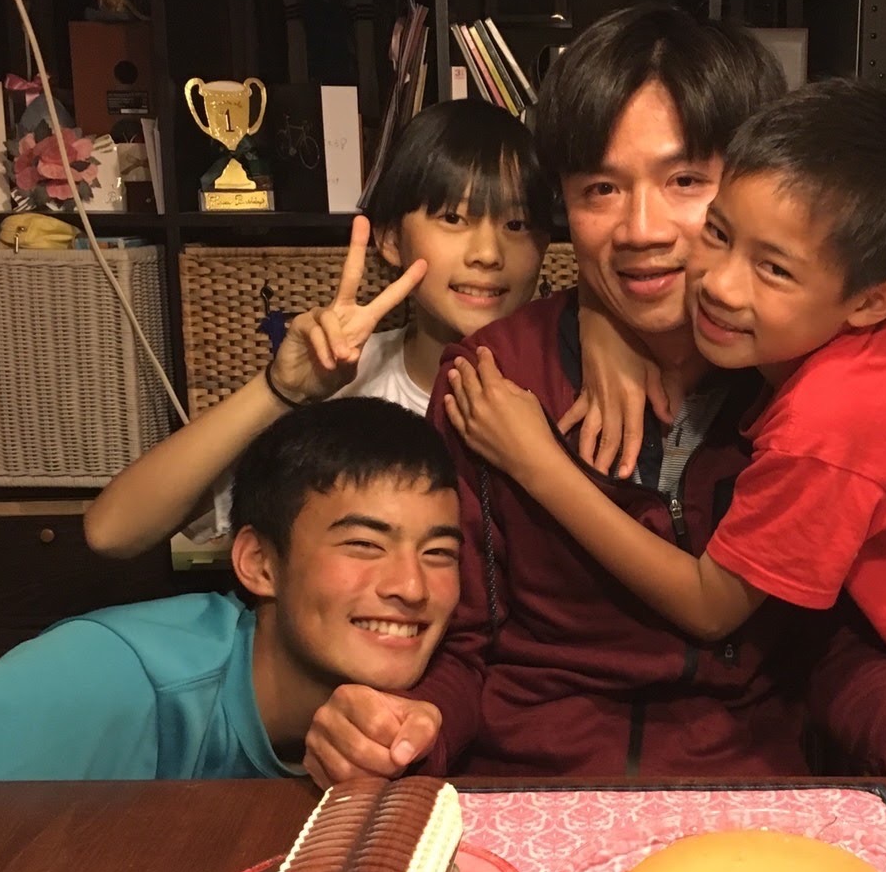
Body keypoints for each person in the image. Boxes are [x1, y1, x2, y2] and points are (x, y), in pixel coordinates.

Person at [302, 5, 886, 807]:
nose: (642, 231)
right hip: (538, 788)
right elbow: (464, 640)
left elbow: (828, 645)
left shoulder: (815, 389)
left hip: (754, 794)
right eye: (601, 189)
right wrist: (410, 724)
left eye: (686, 181)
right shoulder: (495, 380)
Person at [445, 78, 886, 800]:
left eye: (773, 269)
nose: (720, 285)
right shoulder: (856, 343)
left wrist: (541, 465)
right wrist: (600, 316)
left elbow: (710, 606)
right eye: (720, 234)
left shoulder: (832, 421)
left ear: (872, 300)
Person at [84, 98, 554, 559]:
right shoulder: (348, 375)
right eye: (453, 218)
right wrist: (279, 390)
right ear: (391, 238)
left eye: (516, 224)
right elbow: (112, 531)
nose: (488, 254)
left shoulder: (570, 383)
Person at [0, 398, 460, 780]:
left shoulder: (414, 725)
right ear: (259, 564)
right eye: (364, 545)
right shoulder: (108, 675)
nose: (412, 587)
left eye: (439, 552)